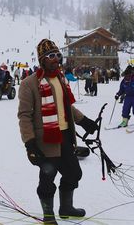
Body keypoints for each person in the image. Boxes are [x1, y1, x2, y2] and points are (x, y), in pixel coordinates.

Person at [18, 39, 98, 224]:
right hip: (45, 139)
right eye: (50, 56)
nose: (55, 59)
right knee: (47, 179)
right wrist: (29, 143)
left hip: (64, 136)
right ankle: (48, 216)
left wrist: (84, 121)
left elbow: (67, 107)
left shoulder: (60, 79)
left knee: (74, 174)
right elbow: (24, 116)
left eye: (57, 55)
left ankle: (65, 207)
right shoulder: (29, 84)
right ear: (42, 60)